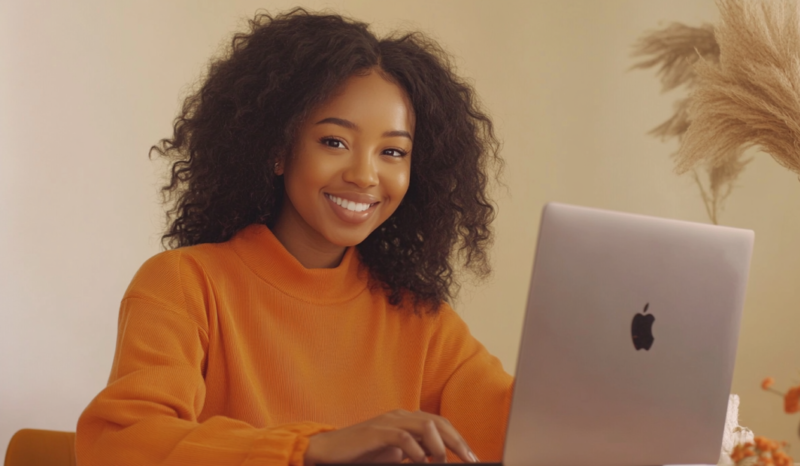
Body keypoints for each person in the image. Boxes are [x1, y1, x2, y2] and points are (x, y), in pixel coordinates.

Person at [75, 8, 513, 466]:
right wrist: (308, 450)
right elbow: (118, 444)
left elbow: (540, 432)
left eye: (392, 152)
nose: (365, 175)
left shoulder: (421, 322)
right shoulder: (185, 284)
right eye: (334, 142)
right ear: (278, 149)